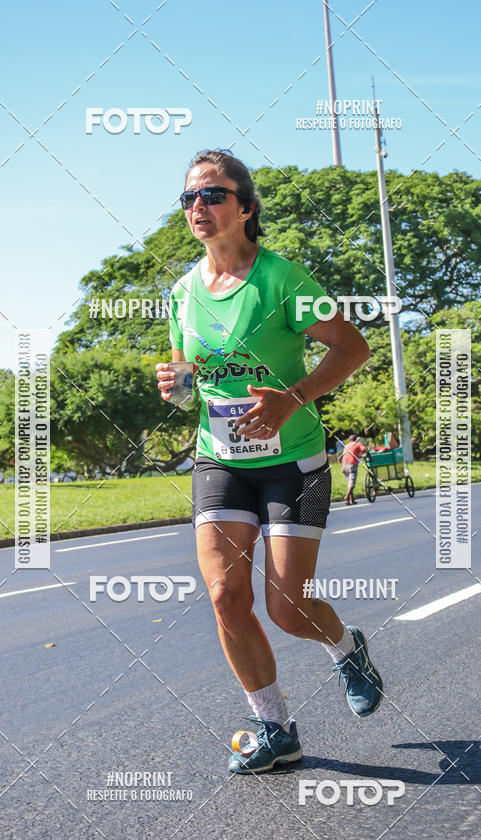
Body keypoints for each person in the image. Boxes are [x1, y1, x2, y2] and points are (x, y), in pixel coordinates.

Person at [156, 149, 383, 774]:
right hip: (220, 460)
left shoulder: (282, 279)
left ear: (246, 206)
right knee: (227, 597)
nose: (198, 207)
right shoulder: (181, 292)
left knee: (288, 607)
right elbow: (186, 378)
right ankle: (274, 728)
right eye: (189, 198)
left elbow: (352, 346)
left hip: (295, 462)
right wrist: (175, 384)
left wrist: (294, 398)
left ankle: (346, 648)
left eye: (213, 195)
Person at [341, 434, 367, 505]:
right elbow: (365, 449)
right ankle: (346, 497)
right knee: (352, 483)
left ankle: (351, 500)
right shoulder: (357, 444)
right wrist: (369, 457)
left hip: (344, 465)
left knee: (349, 483)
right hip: (352, 465)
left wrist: (359, 456)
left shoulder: (346, 446)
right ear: (356, 439)